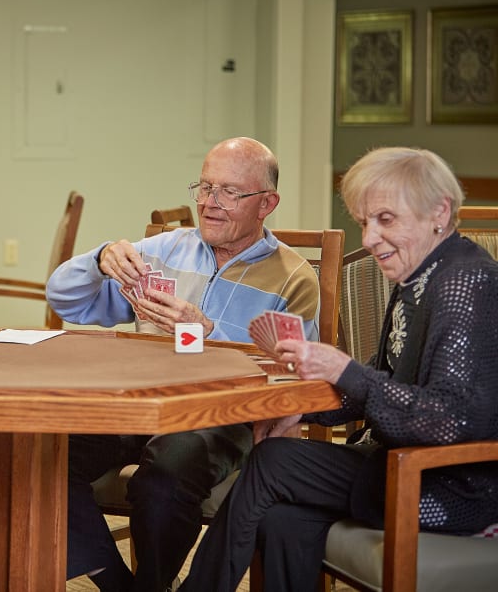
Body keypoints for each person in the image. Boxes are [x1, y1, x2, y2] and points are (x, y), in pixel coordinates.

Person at [180, 147, 498, 592]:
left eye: (385, 220)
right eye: (364, 221)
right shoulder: (420, 275)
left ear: (439, 213)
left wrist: (344, 369)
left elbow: (454, 420)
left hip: (448, 489)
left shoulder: (467, 282)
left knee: (274, 460)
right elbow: (385, 381)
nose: (368, 238)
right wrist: (300, 410)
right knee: (282, 520)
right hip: (396, 464)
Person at [46, 137, 320, 592]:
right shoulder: (162, 251)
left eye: (229, 192)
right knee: (43, 455)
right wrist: (97, 261)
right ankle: (118, 584)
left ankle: (150, 584)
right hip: (135, 403)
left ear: (266, 204)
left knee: (168, 473)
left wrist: (210, 335)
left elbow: (290, 375)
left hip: (219, 417)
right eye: (205, 187)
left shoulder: (294, 277)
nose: (210, 204)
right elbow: (65, 300)